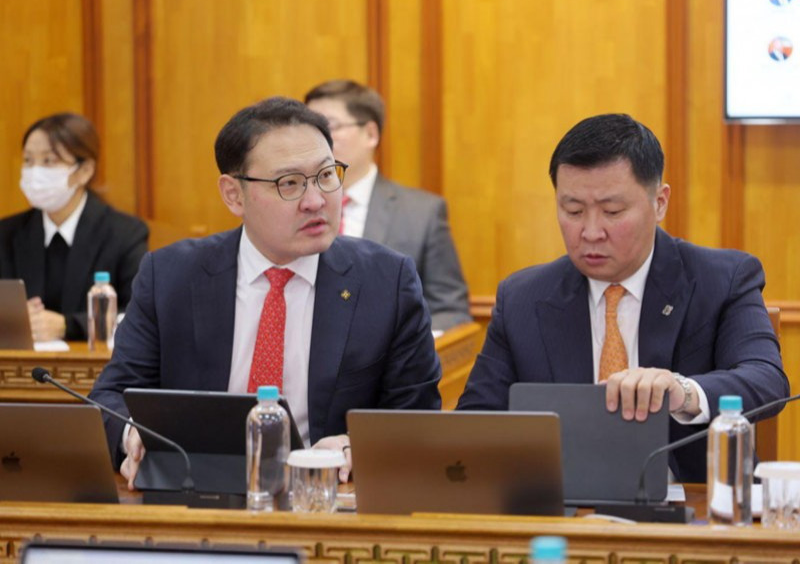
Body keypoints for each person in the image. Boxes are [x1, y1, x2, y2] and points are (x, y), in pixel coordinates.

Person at [89, 97, 441, 487]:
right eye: (289, 183)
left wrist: (357, 444)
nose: (315, 201)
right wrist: (132, 434)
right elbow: (111, 396)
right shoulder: (171, 275)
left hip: (325, 498)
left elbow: (418, 419)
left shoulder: (386, 281)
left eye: (326, 176)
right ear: (233, 194)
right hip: (197, 494)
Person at [457, 113, 789, 482]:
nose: (591, 232)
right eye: (573, 211)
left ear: (659, 202)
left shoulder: (722, 279)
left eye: (612, 212)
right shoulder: (522, 298)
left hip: (691, 502)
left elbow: (766, 380)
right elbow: (474, 421)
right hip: (562, 502)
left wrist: (682, 391)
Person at [304, 79, 471, 332]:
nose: (317, 139)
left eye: (329, 126)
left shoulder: (421, 213)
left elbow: (451, 311)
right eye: (310, 129)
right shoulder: (291, 206)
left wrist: (396, 343)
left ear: (371, 134)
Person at [0, 113, 148, 342]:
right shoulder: (7, 233)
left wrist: (66, 326)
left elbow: (138, 313)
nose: (35, 172)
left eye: (49, 161)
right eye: (28, 160)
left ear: (85, 171)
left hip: (93, 361)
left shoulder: (125, 234)